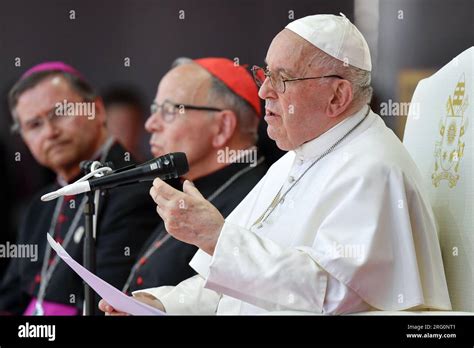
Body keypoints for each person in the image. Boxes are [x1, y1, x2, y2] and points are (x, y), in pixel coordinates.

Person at [100, 14, 451, 315]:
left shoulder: (373, 169)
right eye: (264, 74)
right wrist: (161, 304)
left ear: (337, 96)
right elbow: (233, 285)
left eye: (282, 79)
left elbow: (333, 293)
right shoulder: (293, 160)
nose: (265, 90)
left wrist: (217, 236)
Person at [0, 62, 157, 315]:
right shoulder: (40, 205)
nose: (50, 132)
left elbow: (110, 303)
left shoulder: (136, 189)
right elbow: (9, 297)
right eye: (34, 125)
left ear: (96, 110)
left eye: (59, 113)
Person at [122, 57, 267, 294]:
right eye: (154, 110)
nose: (150, 124)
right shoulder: (188, 187)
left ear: (222, 127)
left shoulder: (256, 200)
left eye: (168, 110)